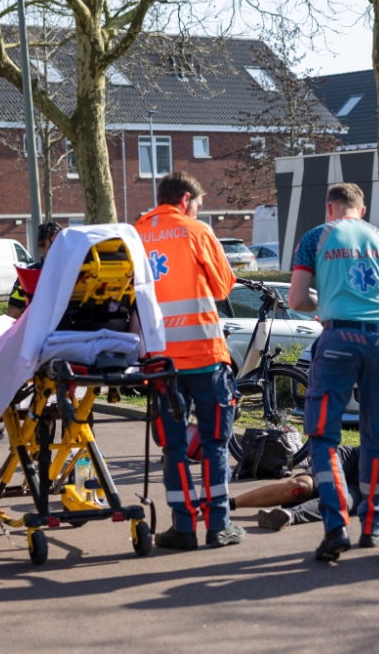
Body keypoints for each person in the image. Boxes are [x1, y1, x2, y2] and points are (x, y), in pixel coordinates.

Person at [288, 182, 379, 561]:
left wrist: (327, 304)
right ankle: (375, 526)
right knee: (377, 436)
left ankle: (336, 526)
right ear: (362, 210)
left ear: (329, 208)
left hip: (338, 339)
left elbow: (298, 299)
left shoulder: (315, 238)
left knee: (324, 436)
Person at [134, 171, 243, 550]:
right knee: (214, 443)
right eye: (197, 206)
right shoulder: (195, 231)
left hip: (161, 362)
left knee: (174, 447)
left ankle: (183, 528)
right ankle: (218, 527)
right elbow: (222, 286)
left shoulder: (136, 234)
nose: (198, 212)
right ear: (184, 201)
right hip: (204, 357)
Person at [243, 431, 379, 530]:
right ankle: (231, 503)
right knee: (302, 487)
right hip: (354, 460)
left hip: (363, 491)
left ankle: (285, 515)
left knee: (340, 502)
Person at [6, 221, 62, 319]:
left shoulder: (75, 272)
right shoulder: (28, 276)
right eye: (54, 244)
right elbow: (12, 316)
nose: (59, 249)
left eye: (61, 244)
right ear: (40, 245)